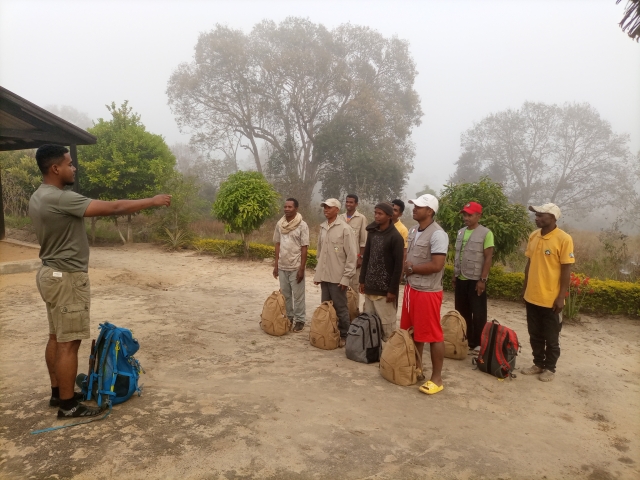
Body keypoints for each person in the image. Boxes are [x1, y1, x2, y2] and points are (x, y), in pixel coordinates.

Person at [29, 144, 171, 418]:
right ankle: (69, 407)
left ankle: (59, 393)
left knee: (56, 337)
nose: (74, 167)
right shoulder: (60, 198)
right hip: (67, 278)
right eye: (69, 163)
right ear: (55, 168)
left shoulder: (39, 195)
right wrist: (152, 201)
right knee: (70, 342)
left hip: (50, 273)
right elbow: (114, 207)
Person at [400, 194, 448, 395]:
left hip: (427, 291)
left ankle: (436, 378)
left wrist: (412, 269)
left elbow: (438, 265)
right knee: (414, 331)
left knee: (433, 335)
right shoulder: (413, 230)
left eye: (419, 206)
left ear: (430, 211)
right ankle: (417, 367)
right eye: (414, 205)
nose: (414, 209)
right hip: (412, 289)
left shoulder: (438, 235)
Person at [521, 203, 574, 382]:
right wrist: (525, 287)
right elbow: (529, 264)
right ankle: (538, 363)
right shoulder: (533, 236)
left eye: (540, 215)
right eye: (536, 215)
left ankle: (550, 368)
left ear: (552, 218)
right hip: (532, 296)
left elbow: (566, 270)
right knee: (534, 334)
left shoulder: (564, 239)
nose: (536, 218)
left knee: (551, 337)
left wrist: (561, 297)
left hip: (551, 299)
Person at [314, 198, 358, 347]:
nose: (326, 209)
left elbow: (352, 255)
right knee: (326, 306)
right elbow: (320, 253)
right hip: (325, 276)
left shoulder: (345, 229)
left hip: (338, 277)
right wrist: (318, 274)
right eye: (324, 207)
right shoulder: (323, 227)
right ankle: (329, 332)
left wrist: (346, 278)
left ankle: (345, 334)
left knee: (340, 307)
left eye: (329, 207)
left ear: (337, 209)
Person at [359, 202, 405, 341]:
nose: (377, 216)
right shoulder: (373, 233)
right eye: (375, 213)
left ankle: (388, 355)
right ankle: (371, 352)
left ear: (389, 216)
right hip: (370, 286)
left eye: (380, 214)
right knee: (369, 323)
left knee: (386, 326)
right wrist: (362, 280)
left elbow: (398, 266)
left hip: (385, 291)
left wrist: (392, 290)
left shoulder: (396, 237)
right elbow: (366, 257)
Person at [452, 201, 494, 351]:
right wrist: (455, 275)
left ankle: (478, 342)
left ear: (478, 215)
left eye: (469, 215)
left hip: (476, 279)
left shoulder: (486, 233)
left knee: (478, 312)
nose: (466, 218)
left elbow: (488, 257)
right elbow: (458, 255)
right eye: (464, 214)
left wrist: (483, 279)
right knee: (461, 311)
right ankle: (466, 339)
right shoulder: (461, 232)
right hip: (461, 278)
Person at [273, 198, 309, 333]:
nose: (287, 209)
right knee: (286, 295)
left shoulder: (302, 225)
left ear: (296, 208)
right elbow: (277, 244)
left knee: (298, 296)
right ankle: (289, 318)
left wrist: (302, 268)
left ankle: (300, 320)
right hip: (282, 266)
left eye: (290, 207)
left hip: (296, 266)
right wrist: (276, 265)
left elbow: (304, 247)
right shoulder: (280, 224)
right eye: (285, 207)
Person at [340, 194, 367, 305]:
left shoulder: (361, 219)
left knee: (353, 286)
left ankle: (353, 314)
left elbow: (363, 241)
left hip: (355, 259)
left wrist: (360, 257)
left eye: (351, 202)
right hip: (341, 258)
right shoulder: (340, 218)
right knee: (341, 286)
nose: (348, 204)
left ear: (356, 204)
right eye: (347, 202)